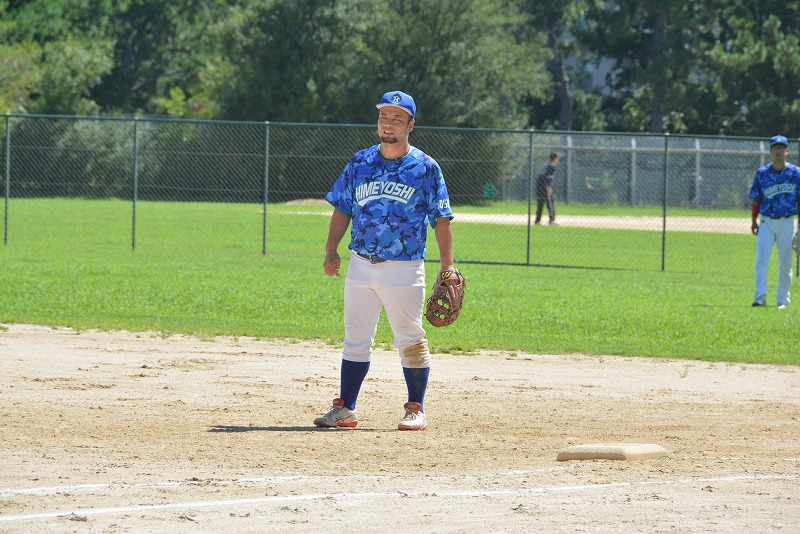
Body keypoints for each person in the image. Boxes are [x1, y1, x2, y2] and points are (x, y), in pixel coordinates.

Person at [316, 90, 457, 431]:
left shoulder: (425, 168)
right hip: (360, 263)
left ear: (411, 125)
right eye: (384, 117)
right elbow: (343, 207)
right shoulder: (360, 162)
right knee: (356, 338)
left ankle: (416, 408)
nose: (388, 124)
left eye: (397, 118)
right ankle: (346, 409)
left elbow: (441, 218)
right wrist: (331, 249)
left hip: (404, 268)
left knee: (409, 337)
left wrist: (447, 266)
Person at [749, 135, 800, 308]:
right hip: (766, 221)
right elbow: (756, 199)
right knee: (762, 259)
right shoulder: (762, 173)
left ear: (787, 151)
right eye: (775, 147)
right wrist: (753, 220)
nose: (778, 150)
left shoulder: (796, 173)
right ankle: (760, 297)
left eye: (781, 147)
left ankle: (783, 300)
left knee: (785, 262)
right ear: (770, 151)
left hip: (787, 221)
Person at [535, 152, 560, 225]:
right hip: (544, 185)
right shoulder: (552, 166)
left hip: (539, 185)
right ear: (555, 159)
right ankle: (552, 220)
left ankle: (537, 220)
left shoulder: (547, 164)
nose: (558, 160)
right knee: (550, 202)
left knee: (540, 202)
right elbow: (547, 178)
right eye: (558, 158)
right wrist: (548, 187)